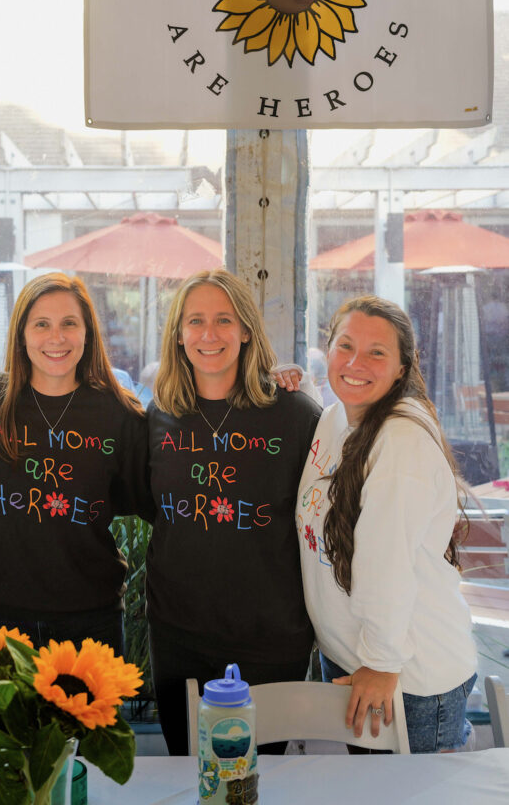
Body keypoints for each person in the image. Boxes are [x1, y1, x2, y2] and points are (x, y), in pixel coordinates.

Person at [145, 269, 322, 755]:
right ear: (178, 334)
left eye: (224, 319)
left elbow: (322, 520)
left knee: (262, 778)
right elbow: (148, 505)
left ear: (246, 330)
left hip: (271, 638)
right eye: (195, 320)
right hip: (178, 636)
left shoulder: (296, 415)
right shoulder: (159, 414)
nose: (209, 333)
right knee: (188, 770)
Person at [297, 295, 477, 753]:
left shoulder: (400, 443)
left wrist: (379, 664)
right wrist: (296, 389)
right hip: (357, 660)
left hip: (405, 678)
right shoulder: (336, 417)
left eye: (376, 352)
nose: (355, 362)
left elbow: (386, 565)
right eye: (345, 346)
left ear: (402, 367)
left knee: (398, 791)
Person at [0, 272, 149, 654]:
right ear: (21, 334)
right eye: (41, 324)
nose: (56, 338)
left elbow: (134, 498)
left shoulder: (120, 414)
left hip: (90, 618)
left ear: (87, 333)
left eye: (69, 324)